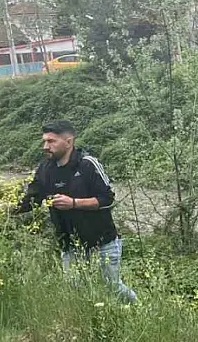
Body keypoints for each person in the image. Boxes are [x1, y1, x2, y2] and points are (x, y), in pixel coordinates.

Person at [15, 120, 137, 302]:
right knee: (75, 292)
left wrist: (74, 203)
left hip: (102, 242)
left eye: (51, 141)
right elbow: (29, 202)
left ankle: (136, 309)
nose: (45, 147)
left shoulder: (88, 165)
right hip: (69, 244)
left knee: (112, 288)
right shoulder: (44, 169)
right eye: (45, 141)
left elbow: (107, 199)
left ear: (69, 141)